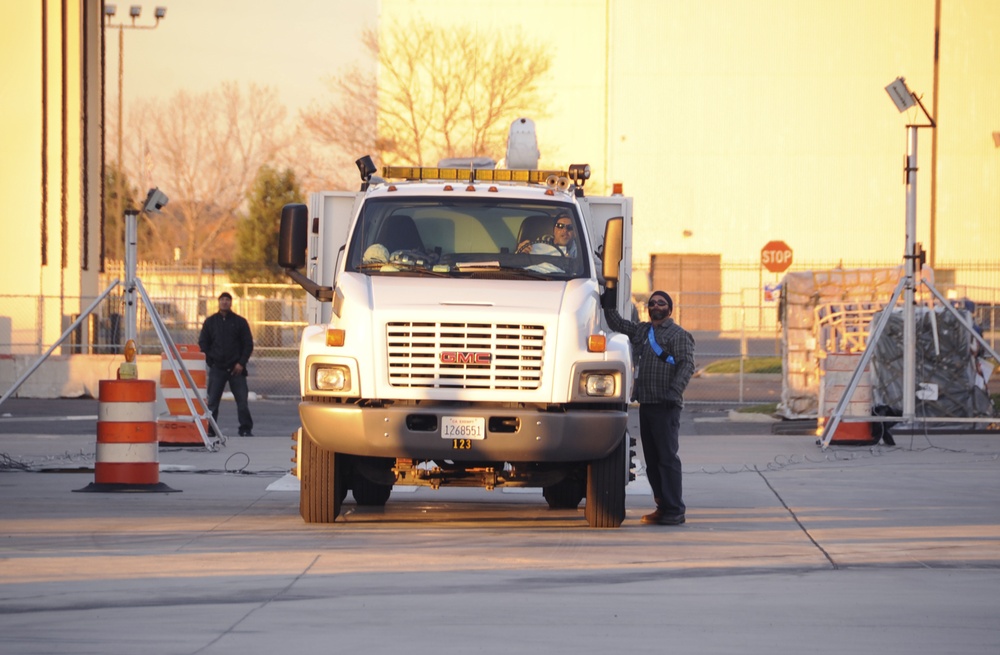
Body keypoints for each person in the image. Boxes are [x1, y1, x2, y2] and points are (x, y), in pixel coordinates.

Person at [602, 288, 695, 525]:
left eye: (661, 303)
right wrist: (608, 298)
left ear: (670, 309)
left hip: (666, 406)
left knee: (667, 458)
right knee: (652, 460)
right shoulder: (643, 330)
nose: (655, 306)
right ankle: (662, 507)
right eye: (652, 303)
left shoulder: (678, 335)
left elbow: (686, 366)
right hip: (647, 403)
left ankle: (675, 509)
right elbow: (617, 323)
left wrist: (674, 392)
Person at [198, 292, 255, 436]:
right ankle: (211, 430)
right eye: (222, 300)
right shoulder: (211, 322)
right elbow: (203, 343)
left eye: (227, 300)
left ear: (231, 302)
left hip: (237, 370)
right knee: (212, 403)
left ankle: (245, 429)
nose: (224, 302)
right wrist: (211, 361)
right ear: (218, 302)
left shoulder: (240, 322)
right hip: (217, 369)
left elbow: (247, 344)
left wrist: (241, 363)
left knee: (242, 402)